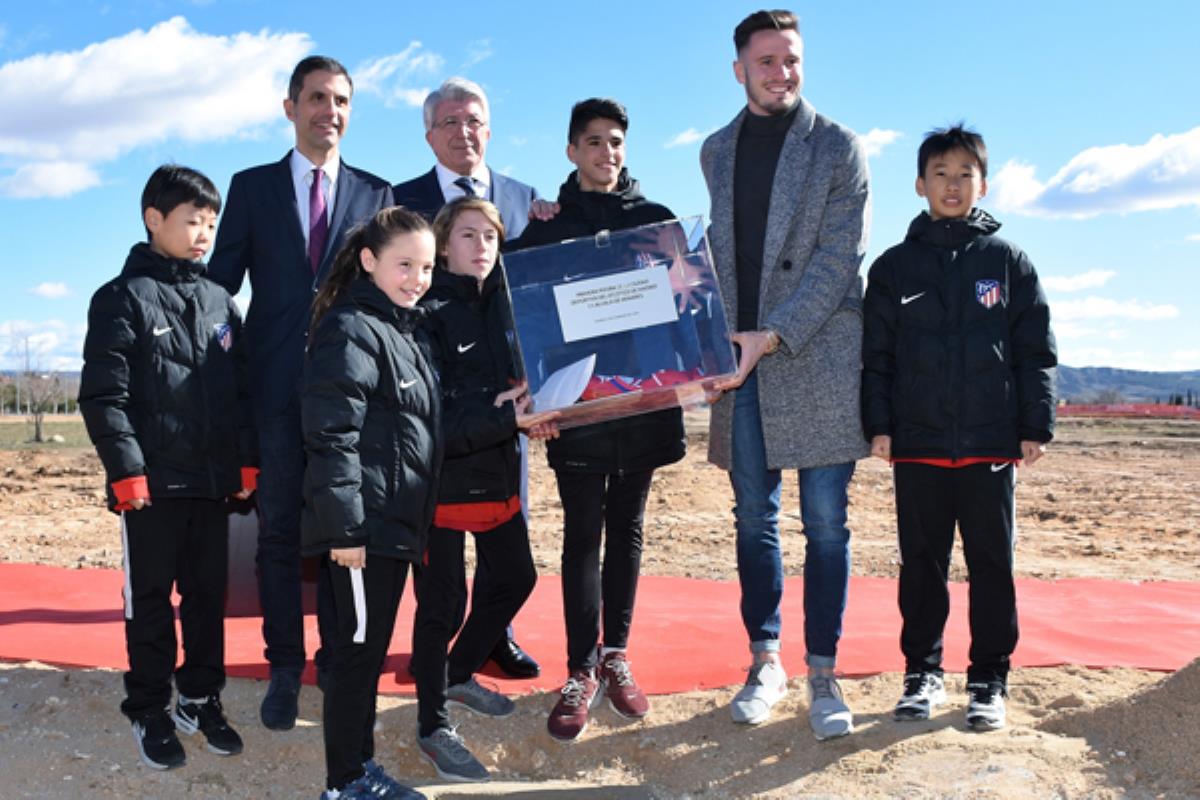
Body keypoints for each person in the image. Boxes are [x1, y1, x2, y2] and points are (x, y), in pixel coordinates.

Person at [207, 55, 394, 731]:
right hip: (276, 390)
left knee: (347, 532)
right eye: (317, 98)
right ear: (291, 108)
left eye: (341, 100)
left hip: (351, 395)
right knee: (280, 535)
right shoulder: (251, 188)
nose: (330, 111)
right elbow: (219, 286)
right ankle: (285, 668)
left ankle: (340, 660)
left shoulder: (378, 195)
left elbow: (392, 293)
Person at [700, 9, 870, 740]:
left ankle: (824, 672)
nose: (782, 72)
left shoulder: (839, 146)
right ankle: (765, 661)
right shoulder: (713, 150)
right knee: (753, 521)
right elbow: (713, 252)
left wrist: (772, 335)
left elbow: (838, 259)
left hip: (815, 355)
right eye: (766, 61)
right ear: (739, 69)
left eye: (791, 59)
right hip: (740, 364)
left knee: (826, 526)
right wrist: (704, 337)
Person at [861, 125, 1057, 731]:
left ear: (984, 184)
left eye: (964, 174)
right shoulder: (894, 268)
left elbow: (1034, 352)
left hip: (989, 445)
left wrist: (1035, 424)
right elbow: (877, 358)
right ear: (920, 184)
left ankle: (988, 679)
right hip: (917, 446)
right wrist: (880, 423)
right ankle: (922, 673)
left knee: (991, 565)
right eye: (940, 173)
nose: (953, 184)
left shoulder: (1008, 262)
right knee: (921, 564)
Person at [513, 98, 687, 742]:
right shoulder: (548, 227)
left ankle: (617, 656)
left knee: (630, 527)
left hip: (641, 403)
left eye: (615, 142)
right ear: (571, 151)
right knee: (583, 532)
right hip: (577, 406)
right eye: (593, 142)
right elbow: (521, 302)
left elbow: (689, 301)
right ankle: (580, 669)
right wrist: (538, 392)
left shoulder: (656, 222)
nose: (606, 153)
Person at [79, 164, 256, 770]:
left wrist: (245, 463)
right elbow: (105, 396)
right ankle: (149, 706)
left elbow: (240, 392)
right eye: (192, 220)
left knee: (208, 598)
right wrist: (127, 473)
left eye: (211, 221)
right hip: (150, 489)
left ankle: (200, 698)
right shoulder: (119, 298)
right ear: (155, 220)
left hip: (210, 486)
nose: (204, 232)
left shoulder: (219, 301)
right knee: (150, 602)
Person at [394, 76, 550, 679]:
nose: (465, 132)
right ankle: (440, 663)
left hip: (507, 403)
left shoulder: (526, 199)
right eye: (451, 122)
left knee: (506, 542)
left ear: (490, 128)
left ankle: (492, 641)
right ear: (430, 133)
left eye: (475, 120)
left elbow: (541, 292)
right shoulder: (399, 198)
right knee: (440, 572)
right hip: (440, 408)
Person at [412, 198, 557, 782]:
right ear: (443, 245)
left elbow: (516, 380)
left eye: (490, 238)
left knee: (517, 577)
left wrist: (532, 403)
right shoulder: (425, 309)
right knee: (441, 606)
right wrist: (507, 415)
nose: (481, 247)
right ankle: (431, 724)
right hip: (442, 480)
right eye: (468, 236)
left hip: (496, 468)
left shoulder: (504, 298)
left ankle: (456, 673)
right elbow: (432, 412)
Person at [301, 206, 436, 800]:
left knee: (367, 651)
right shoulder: (353, 328)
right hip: (364, 533)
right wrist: (347, 531)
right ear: (369, 261)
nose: (417, 277)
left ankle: (359, 770)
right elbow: (332, 436)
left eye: (427, 266)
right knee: (357, 659)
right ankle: (346, 783)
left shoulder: (401, 331)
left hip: (391, 528)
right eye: (404, 264)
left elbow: (420, 434)